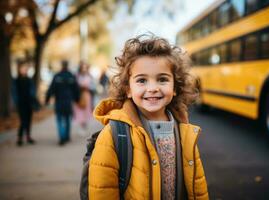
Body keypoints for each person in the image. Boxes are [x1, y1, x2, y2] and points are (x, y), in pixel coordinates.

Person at [88, 35, 209, 199]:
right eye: (142, 80)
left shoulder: (185, 130)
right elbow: (102, 191)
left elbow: (198, 186)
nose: (152, 88)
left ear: (175, 86)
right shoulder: (114, 134)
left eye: (162, 79)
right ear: (128, 89)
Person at [45, 60, 79, 145]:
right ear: (68, 65)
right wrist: (77, 99)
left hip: (59, 101)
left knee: (59, 120)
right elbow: (76, 89)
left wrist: (47, 99)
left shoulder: (57, 76)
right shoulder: (71, 76)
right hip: (68, 102)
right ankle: (66, 136)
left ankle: (62, 137)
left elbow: (51, 88)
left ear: (61, 65)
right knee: (67, 119)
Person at [12, 60, 37, 146]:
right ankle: (19, 137)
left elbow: (33, 91)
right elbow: (14, 92)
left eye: (26, 68)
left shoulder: (29, 80)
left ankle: (28, 137)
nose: (25, 70)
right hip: (21, 103)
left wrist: (33, 99)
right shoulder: (16, 80)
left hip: (29, 103)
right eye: (23, 68)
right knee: (23, 121)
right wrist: (16, 102)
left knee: (29, 120)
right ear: (19, 69)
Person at [73, 61, 95, 135]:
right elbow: (74, 85)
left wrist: (88, 88)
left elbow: (93, 87)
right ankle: (81, 126)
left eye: (85, 67)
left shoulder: (89, 76)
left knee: (86, 111)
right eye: (83, 67)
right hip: (79, 96)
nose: (84, 69)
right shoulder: (77, 76)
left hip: (87, 95)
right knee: (79, 111)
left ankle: (84, 126)